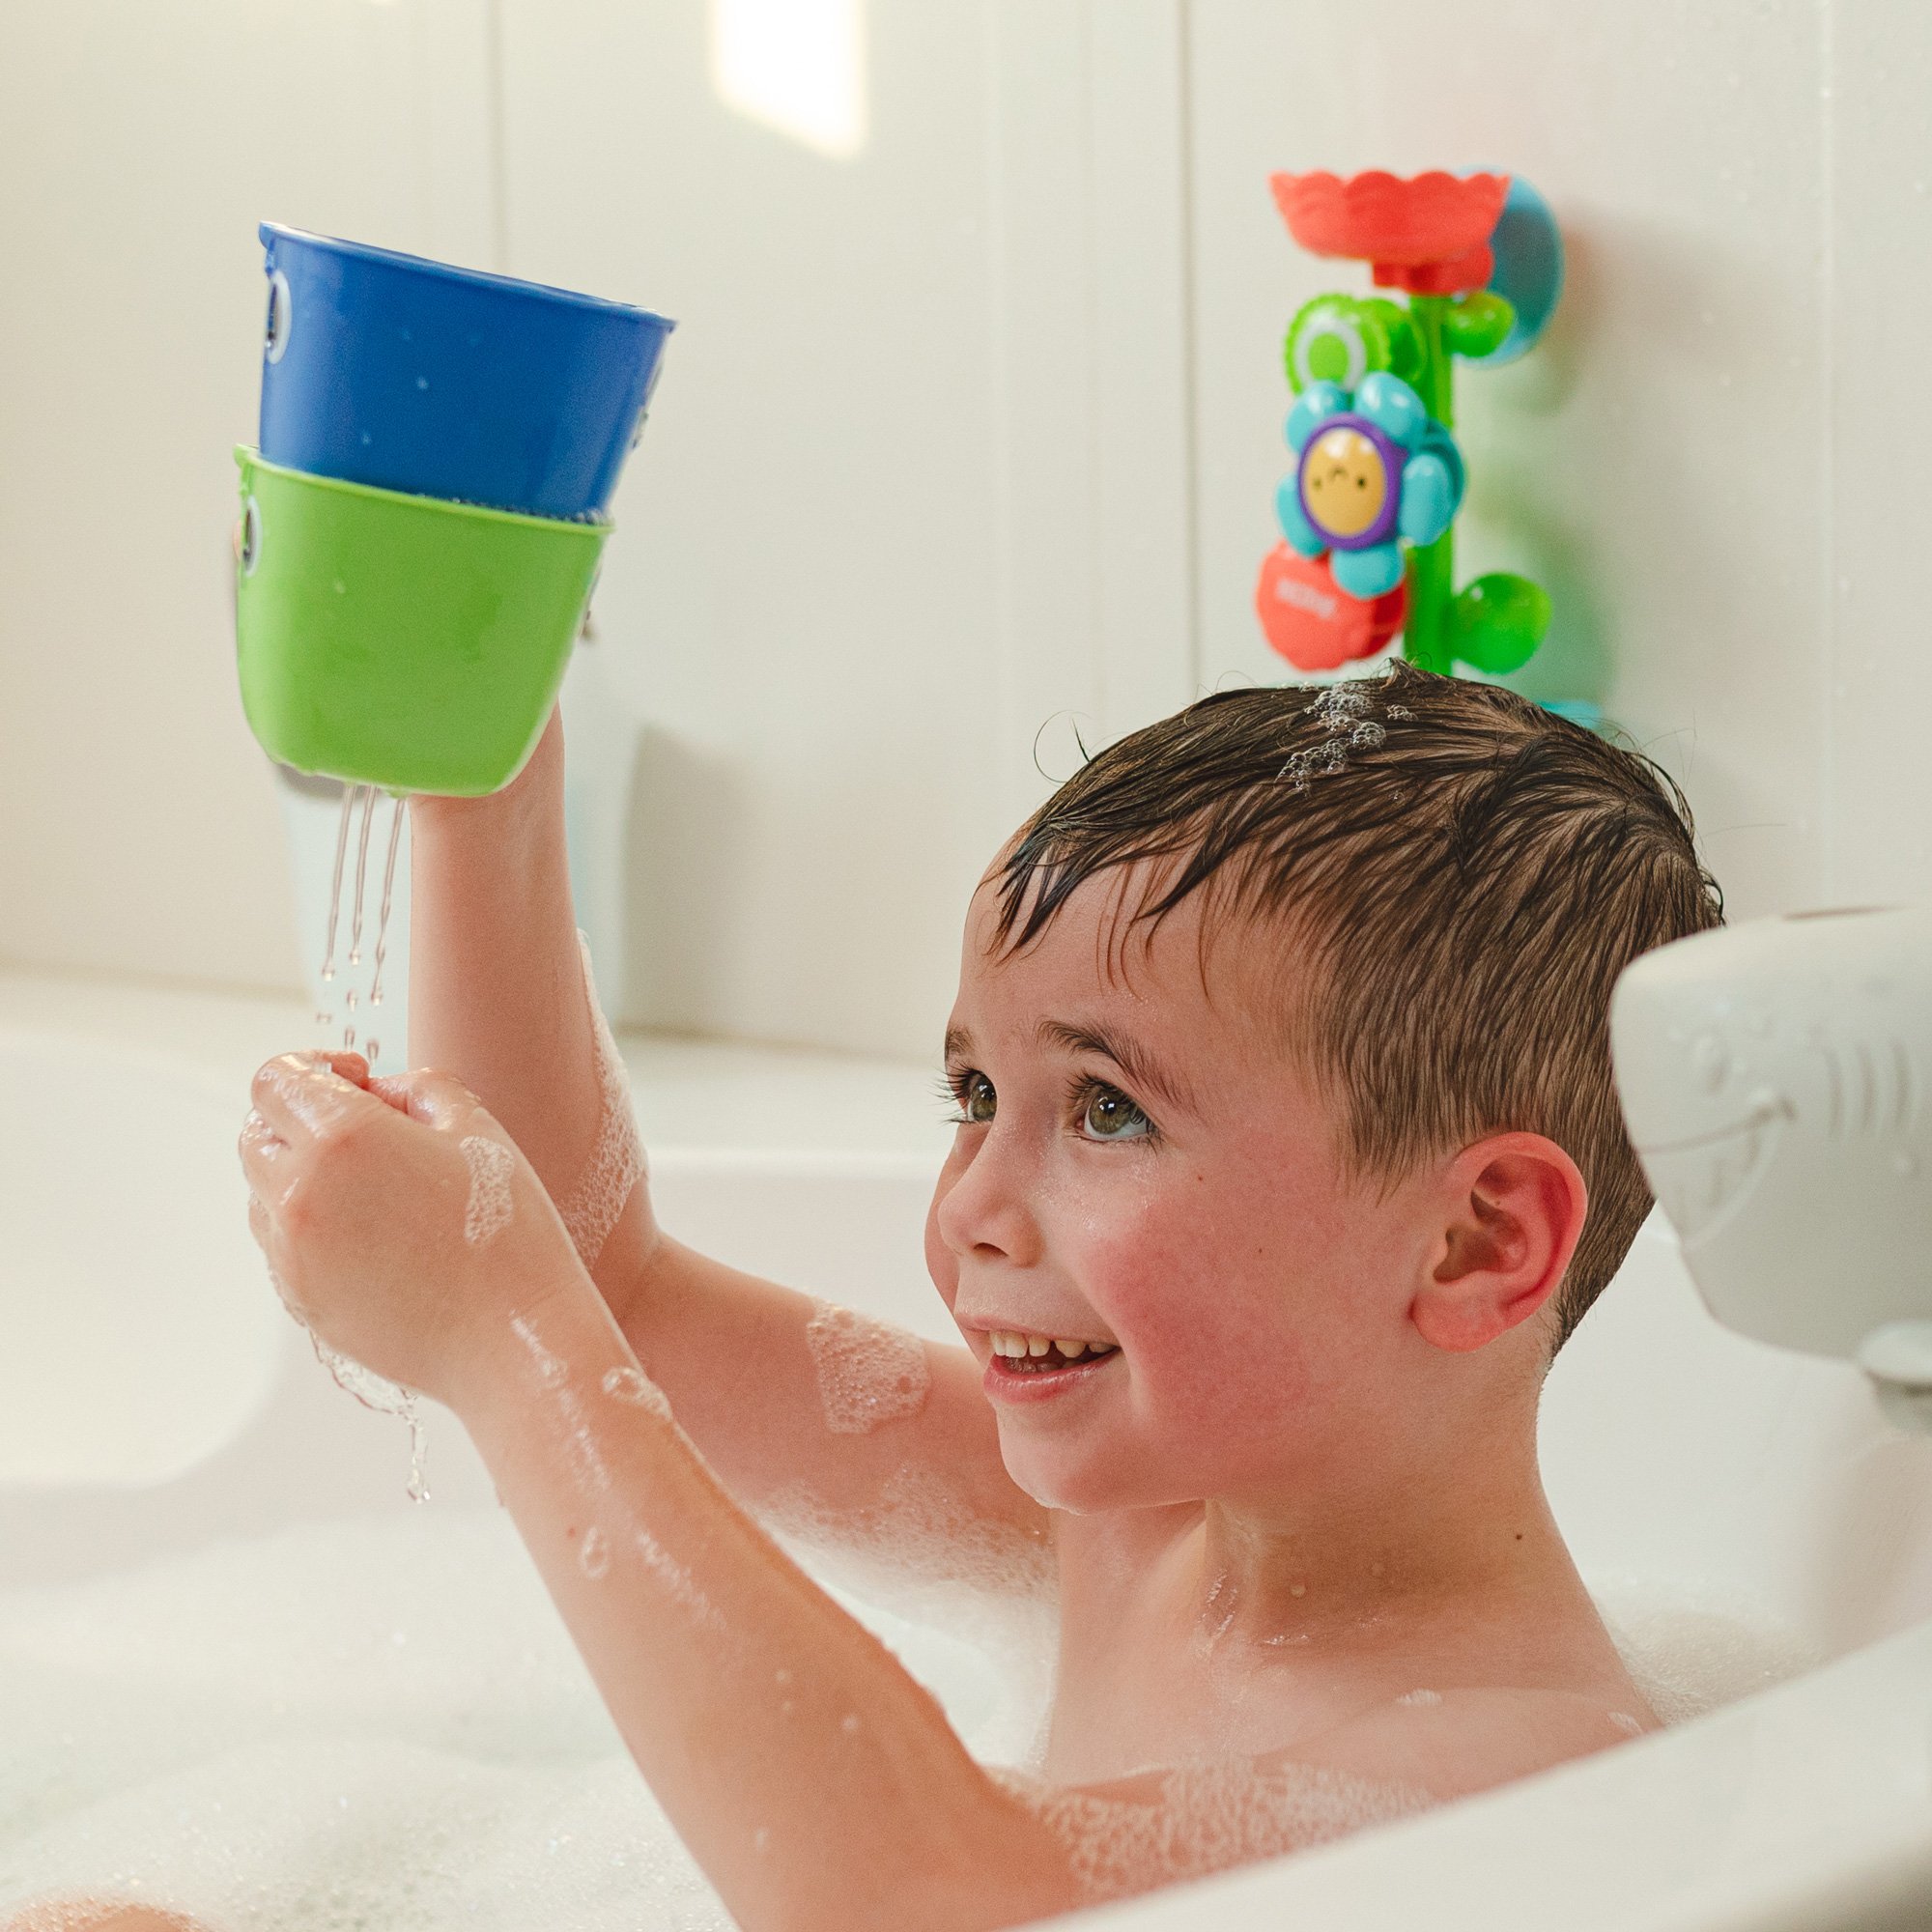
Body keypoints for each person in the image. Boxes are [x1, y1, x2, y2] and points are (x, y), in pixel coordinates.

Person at [218, 665, 1715, 1927]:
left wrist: (497, 1336)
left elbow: (931, 1898)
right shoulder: (1136, 1537)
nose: (970, 1212)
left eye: (1108, 1110)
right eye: (974, 1091)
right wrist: (485, 786)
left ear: (1474, 1246)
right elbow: (606, 1286)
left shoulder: (1532, 1778)